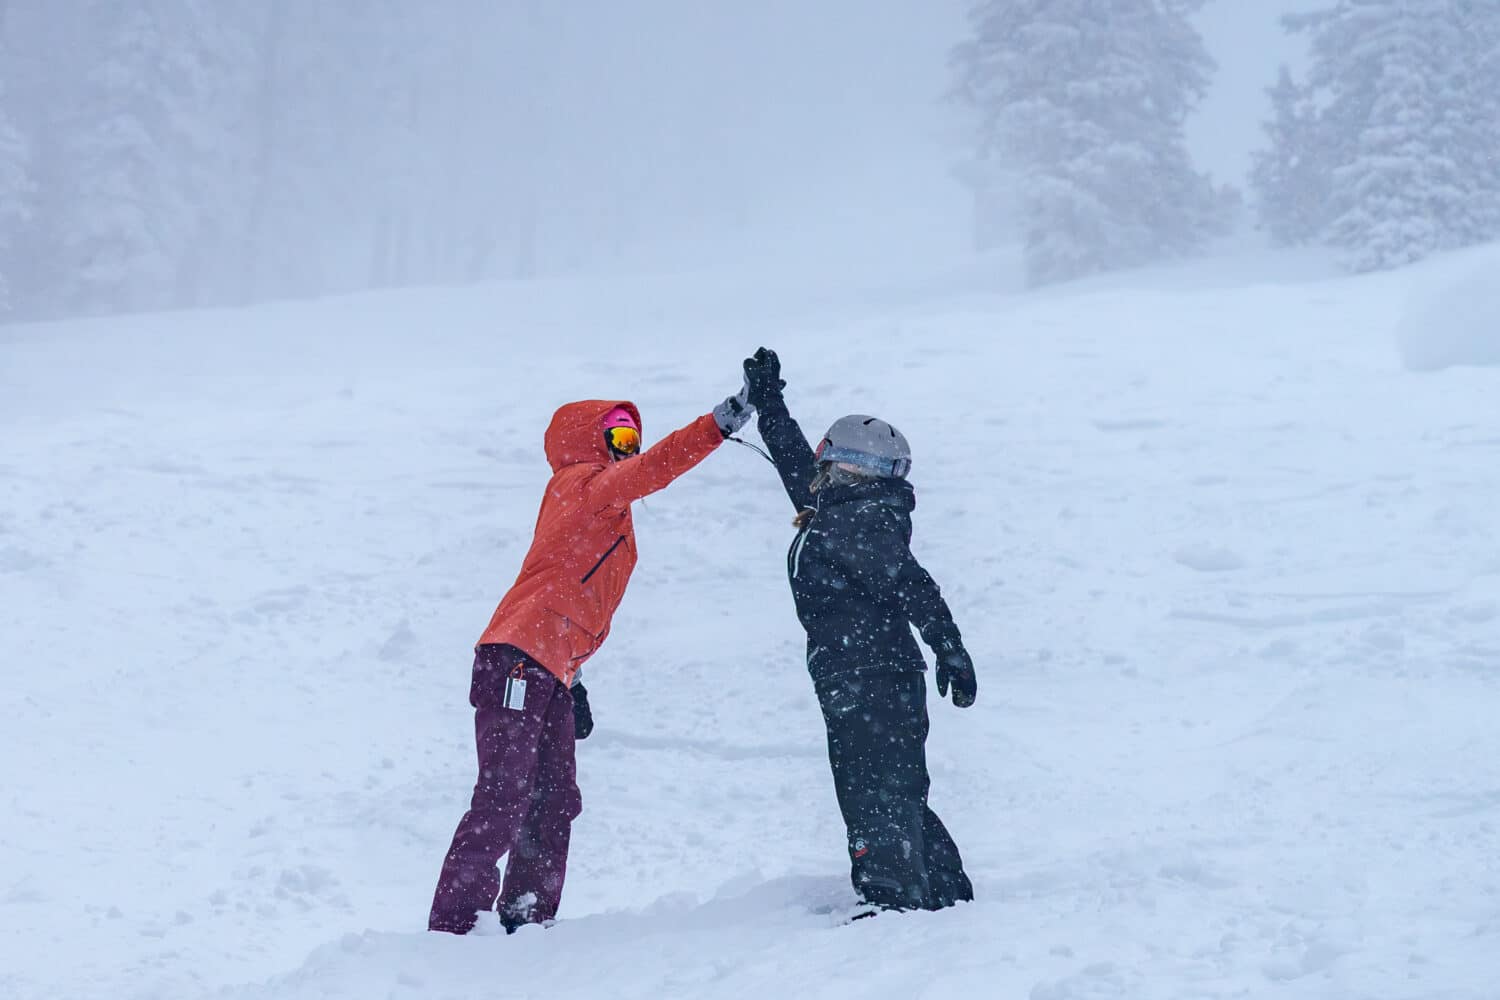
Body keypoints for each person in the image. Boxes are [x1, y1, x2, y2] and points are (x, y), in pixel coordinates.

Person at [428, 388, 752, 934]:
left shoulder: (608, 510)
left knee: (555, 799)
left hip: (549, 666)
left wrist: (572, 680)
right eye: (618, 437)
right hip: (517, 659)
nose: (628, 450)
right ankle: (454, 929)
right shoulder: (580, 486)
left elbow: (569, 593)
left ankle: (526, 920)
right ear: (584, 441)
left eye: (633, 439)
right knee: (504, 792)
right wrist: (723, 421)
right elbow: (658, 467)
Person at [741, 347, 977, 914]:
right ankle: (942, 890)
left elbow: (911, 582)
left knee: (873, 791)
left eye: (828, 461)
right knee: (895, 788)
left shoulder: (856, 519)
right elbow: (796, 462)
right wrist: (770, 402)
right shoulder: (844, 510)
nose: (816, 470)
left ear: (847, 465)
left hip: (870, 674)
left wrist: (949, 645)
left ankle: (892, 899)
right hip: (870, 674)